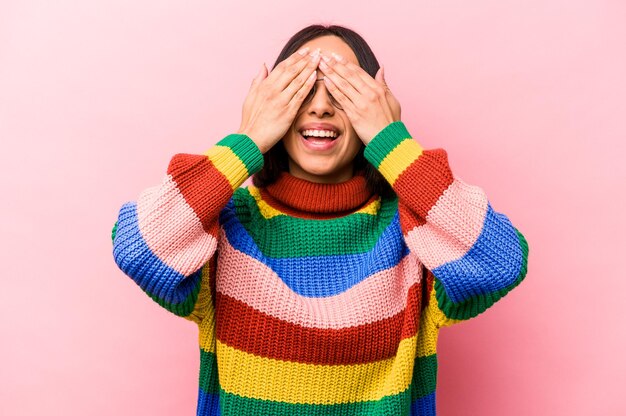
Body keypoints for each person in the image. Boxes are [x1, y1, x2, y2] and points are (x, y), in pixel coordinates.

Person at [111, 24, 529, 416]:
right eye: (300, 89)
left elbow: (502, 262)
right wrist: (250, 137)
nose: (321, 106)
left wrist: (391, 139)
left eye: (343, 90)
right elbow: (138, 247)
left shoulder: (414, 231)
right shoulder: (226, 225)